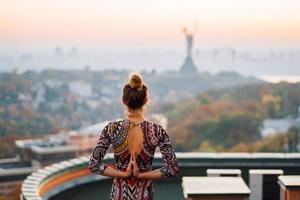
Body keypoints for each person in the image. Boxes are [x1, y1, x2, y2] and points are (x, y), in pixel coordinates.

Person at [88, 72, 179, 200]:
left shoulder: (112, 129)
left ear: (124, 101)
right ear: (145, 101)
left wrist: (123, 174)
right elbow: (172, 168)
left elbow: (94, 165)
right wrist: (142, 175)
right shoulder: (157, 131)